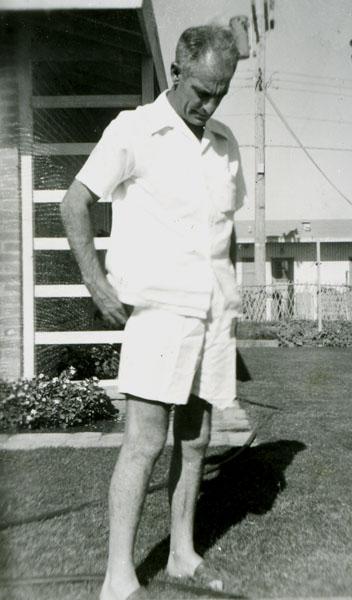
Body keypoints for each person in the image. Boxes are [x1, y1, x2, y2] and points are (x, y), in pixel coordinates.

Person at [61, 24, 246, 600]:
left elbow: (226, 231)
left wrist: (230, 301)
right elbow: (75, 201)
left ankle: (182, 555)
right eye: (202, 90)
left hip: (212, 313)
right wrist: (97, 284)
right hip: (160, 310)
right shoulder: (133, 130)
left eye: (221, 92)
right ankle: (119, 577)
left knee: (195, 439)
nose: (209, 104)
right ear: (176, 71)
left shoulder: (224, 143)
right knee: (145, 440)